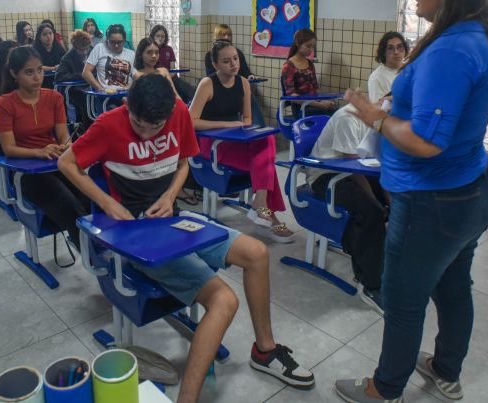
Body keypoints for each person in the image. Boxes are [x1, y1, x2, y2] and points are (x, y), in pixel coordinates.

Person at [58, 74, 314, 403]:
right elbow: (66, 162)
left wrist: (170, 196)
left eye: (156, 127)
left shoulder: (178, 112)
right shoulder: (109, 124)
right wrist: (108, 202)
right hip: (138, 232)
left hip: (174, 219)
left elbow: (183, 164)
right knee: (224, 300)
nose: (149, 134)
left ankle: (264, 350)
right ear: (127, 106)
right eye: (140, 125)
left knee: (257, 253)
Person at [335, 0, 488, 403]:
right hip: (470, 190)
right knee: (452, 284)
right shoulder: (475, 34)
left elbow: (428, 142)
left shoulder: (451, 48)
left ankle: (383, 388)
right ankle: (445, 370)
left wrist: (373, 114)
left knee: (404, 298)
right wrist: (393, 106)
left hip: (434, 201)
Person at [190, 40, 294, 243]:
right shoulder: (207, 84)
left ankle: (261, 206)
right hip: (211, 145)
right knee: (266, 164)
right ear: (215, 63)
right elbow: (191, 122)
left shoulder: (243, 83)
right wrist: (226, 125)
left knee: (266, 143)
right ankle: (266, 214)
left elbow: (247, 118)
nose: (233, 64)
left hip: (234, 139)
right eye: (227, 61)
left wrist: (238, 127)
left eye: (236, 59)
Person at [0, 47, 88, 247]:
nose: (37, 77)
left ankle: (95, 248)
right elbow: (9, 148)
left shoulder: (54, 98)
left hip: (56, 163)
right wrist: (39, 151)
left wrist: (66, 146)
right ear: (14, 74)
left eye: (39, 70)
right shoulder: (4, 104)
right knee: (69, 205)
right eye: (29, 72)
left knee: (89, 196)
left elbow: (63, 135)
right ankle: (93, 255)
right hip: (27, 173)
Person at [306, 105, 387, 314]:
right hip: (327, 176)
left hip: (355, 171)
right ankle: (370, 285)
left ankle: (379, 259)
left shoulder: (382, 120)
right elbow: (351, 168)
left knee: (394, 203)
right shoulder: (348, 118)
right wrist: (374, 201)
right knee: (373, 212)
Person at [204, 24, 266, 126]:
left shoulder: (238, 54)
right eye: (223, 35)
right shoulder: (209, 58)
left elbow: (245, 71)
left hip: (237, 88)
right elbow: (211, 74)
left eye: (229, 35)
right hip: (221, 92)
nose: (226, 38)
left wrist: (250, 76)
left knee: (259, 124)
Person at [281, 29, 337, 117]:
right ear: (297, 43)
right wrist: (319, 104)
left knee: (338, 111)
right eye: (308, 46)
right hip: (301, 108)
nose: (311, 50)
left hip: (315, 104)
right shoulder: (288, 66)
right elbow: (293, 97)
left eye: (313, 47)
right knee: (333, 115)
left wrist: (324, 101)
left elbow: (316, 89)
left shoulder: (310, 64)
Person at [55, 30, 94, 133]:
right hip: (76, 92)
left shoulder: (92, 51)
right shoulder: (67, 58)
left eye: (87, 48)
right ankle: (86, 131)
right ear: (75, 47)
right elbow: (59, 77)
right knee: (86, 106)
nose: (85, 52)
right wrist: (82, 76)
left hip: (92, 88)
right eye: (82, 50)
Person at [82, 23, 135, 92]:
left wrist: (131, 87)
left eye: (119, 42)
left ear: (124, 41)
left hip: (127, 94)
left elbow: (137, 76)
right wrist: (101, 89)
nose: (116, 45)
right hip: (106, 96)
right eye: (113, 42)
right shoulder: (100, 48)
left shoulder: (131, 54)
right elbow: (86, 72)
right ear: (107, 40)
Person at [150, 24, 196, 102]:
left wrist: (170, 75)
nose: (160, 38)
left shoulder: (169, 49)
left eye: (162, 36)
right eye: (157, 36)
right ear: (153, 37)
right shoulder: (150, 50)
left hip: (172, 78)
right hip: (158, 80)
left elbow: (173, 69)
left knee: (191, 91)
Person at [368, 32, 409, 103]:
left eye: (400, 47)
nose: (396, 52)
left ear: (405, 49)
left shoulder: (409, 70)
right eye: (390, 48)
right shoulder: (377, 78)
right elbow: (377, 109)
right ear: (384, 52)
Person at [32, 22, 66, 89]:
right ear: (39, 37)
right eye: (45, 34)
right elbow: (36, 67)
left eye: (50, 33)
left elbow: (66, 61)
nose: (48, 36)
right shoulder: (34, 50)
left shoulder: (58, 47)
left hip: (58, 80)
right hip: (41, 82)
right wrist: (54, 68)